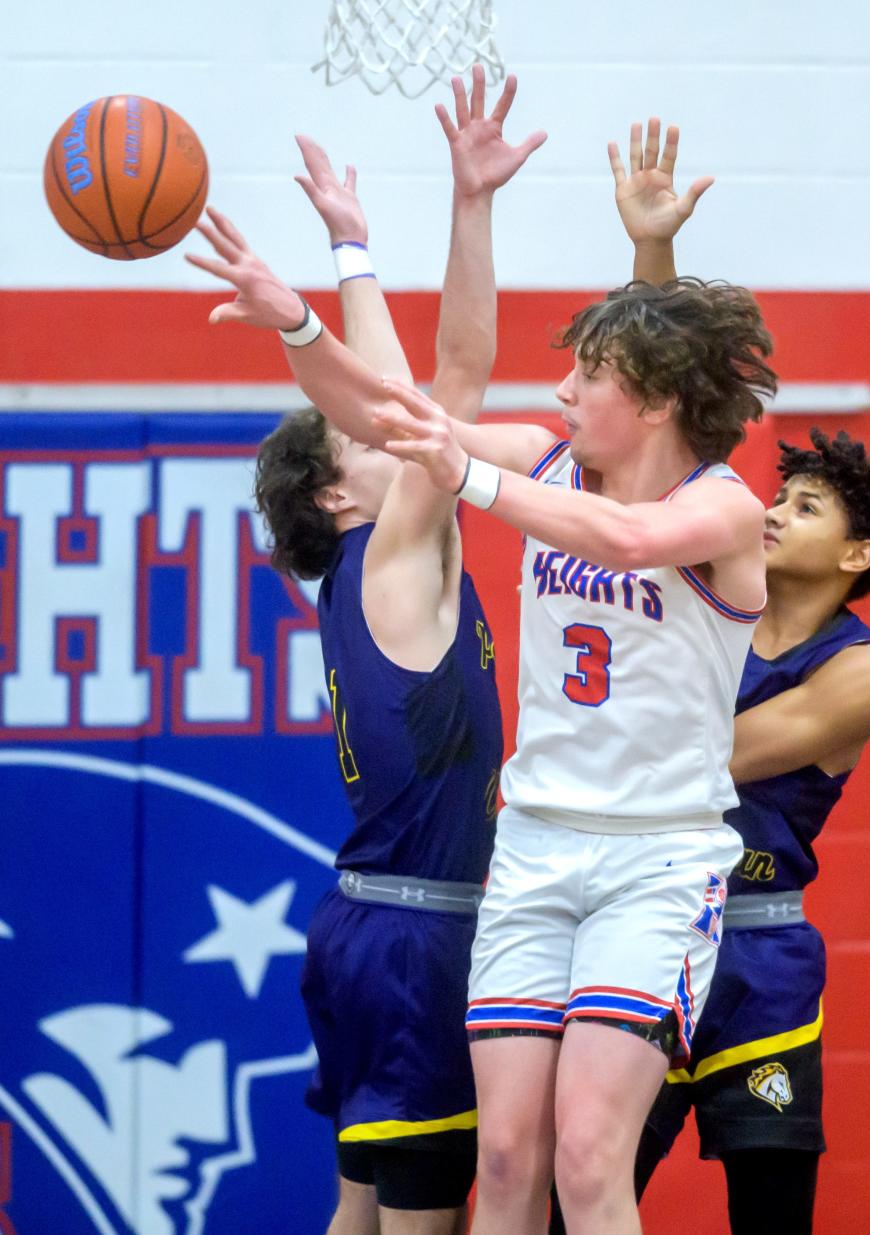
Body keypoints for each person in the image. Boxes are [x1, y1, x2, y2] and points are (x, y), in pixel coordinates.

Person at [188, 103, 774, 1233]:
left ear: (645, 400)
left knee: (589, 1157)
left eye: (580, 379)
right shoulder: (550, 457)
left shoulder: (722, 505)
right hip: (534, 848)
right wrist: (301, 321)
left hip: (655, 859)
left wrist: (469, 470)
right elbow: (398, 406)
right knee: (504, 1160)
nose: (554, 395)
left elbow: (625, 538)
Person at [224, 69, 545, 1235]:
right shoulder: (398, 549)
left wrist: (354, 246)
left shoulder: (368, 574)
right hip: (420, 934)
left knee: (356, 1217)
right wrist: (450, 214)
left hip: (369, 919)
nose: (381, 425)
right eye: (352, 433)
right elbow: (439, 382)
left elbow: (403, 398)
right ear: (333, 486)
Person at [625, 428, 870, 1235]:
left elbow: (711, 756)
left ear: (856, 555)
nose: (773, 512)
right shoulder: (708, 604)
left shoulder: (867, 670)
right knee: (577, 1185)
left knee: (772, 1214)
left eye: (806, 507)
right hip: (646, 927)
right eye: (778, 496)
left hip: (761, 959)